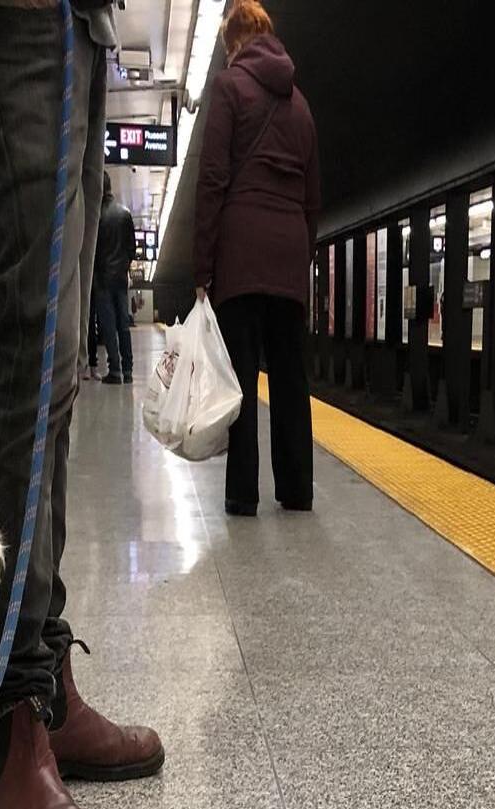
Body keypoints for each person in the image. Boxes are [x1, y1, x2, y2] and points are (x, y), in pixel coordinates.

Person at [0, 4, 164, 809]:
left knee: (56, 370)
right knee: (36, 347)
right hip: (13, 18)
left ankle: (48, 686)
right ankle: (12, 712)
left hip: (78, 26)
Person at [193, 0, 320, 517]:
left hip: (241, 256)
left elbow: (213, 180)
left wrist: (203, 268)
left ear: (234, 43)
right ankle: (297, 490)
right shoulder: (303, 106)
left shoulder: (228, 89)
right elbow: (313, 197)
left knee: (240, 379)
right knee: (291, 379)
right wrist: (300, 255)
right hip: (288, 255)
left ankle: (242, 493)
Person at [93, 171, 136, 384]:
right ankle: (128, 370)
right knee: (123, 324)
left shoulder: (96, 217)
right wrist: (124, 268)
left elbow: (92, 251)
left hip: (102, 279)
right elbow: (132, 249)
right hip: (120, 278)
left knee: (108, 325)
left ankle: (115, 370)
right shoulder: (125, 213)